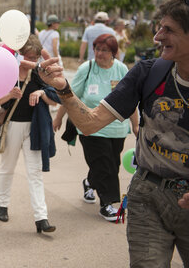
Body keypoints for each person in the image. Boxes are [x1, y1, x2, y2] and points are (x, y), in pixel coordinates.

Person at [32, 0, 189, 267]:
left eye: (169, 30)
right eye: (159, 27)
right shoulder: (147, 72)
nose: (157, 37)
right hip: (147, 197)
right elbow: (91, 123)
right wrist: (63, 88)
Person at [53, 34, 139, 221]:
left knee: (111, 164)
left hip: (116, 129)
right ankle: (107, 204)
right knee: (104, 164)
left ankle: (89, 182)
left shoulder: (121, 69)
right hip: (90, 126)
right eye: (97, 49)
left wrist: (135, 124)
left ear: (114, 52)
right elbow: (69, 95)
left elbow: (130, 99)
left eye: (104, 50)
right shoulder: (87, 68)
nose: (99, 54)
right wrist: (58, 118)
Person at [0, 35, 59, 233]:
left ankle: (41, 218)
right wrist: (10, 95)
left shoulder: (38, 73)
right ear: (20, 54)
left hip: (34, 128)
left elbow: (56, 99)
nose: (33, 61)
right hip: (12, 125)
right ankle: (2, 205)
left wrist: (42, 94)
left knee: (35, 172)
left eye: (36, 57)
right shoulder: (8, 71)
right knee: (7, 168)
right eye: (29, 56)